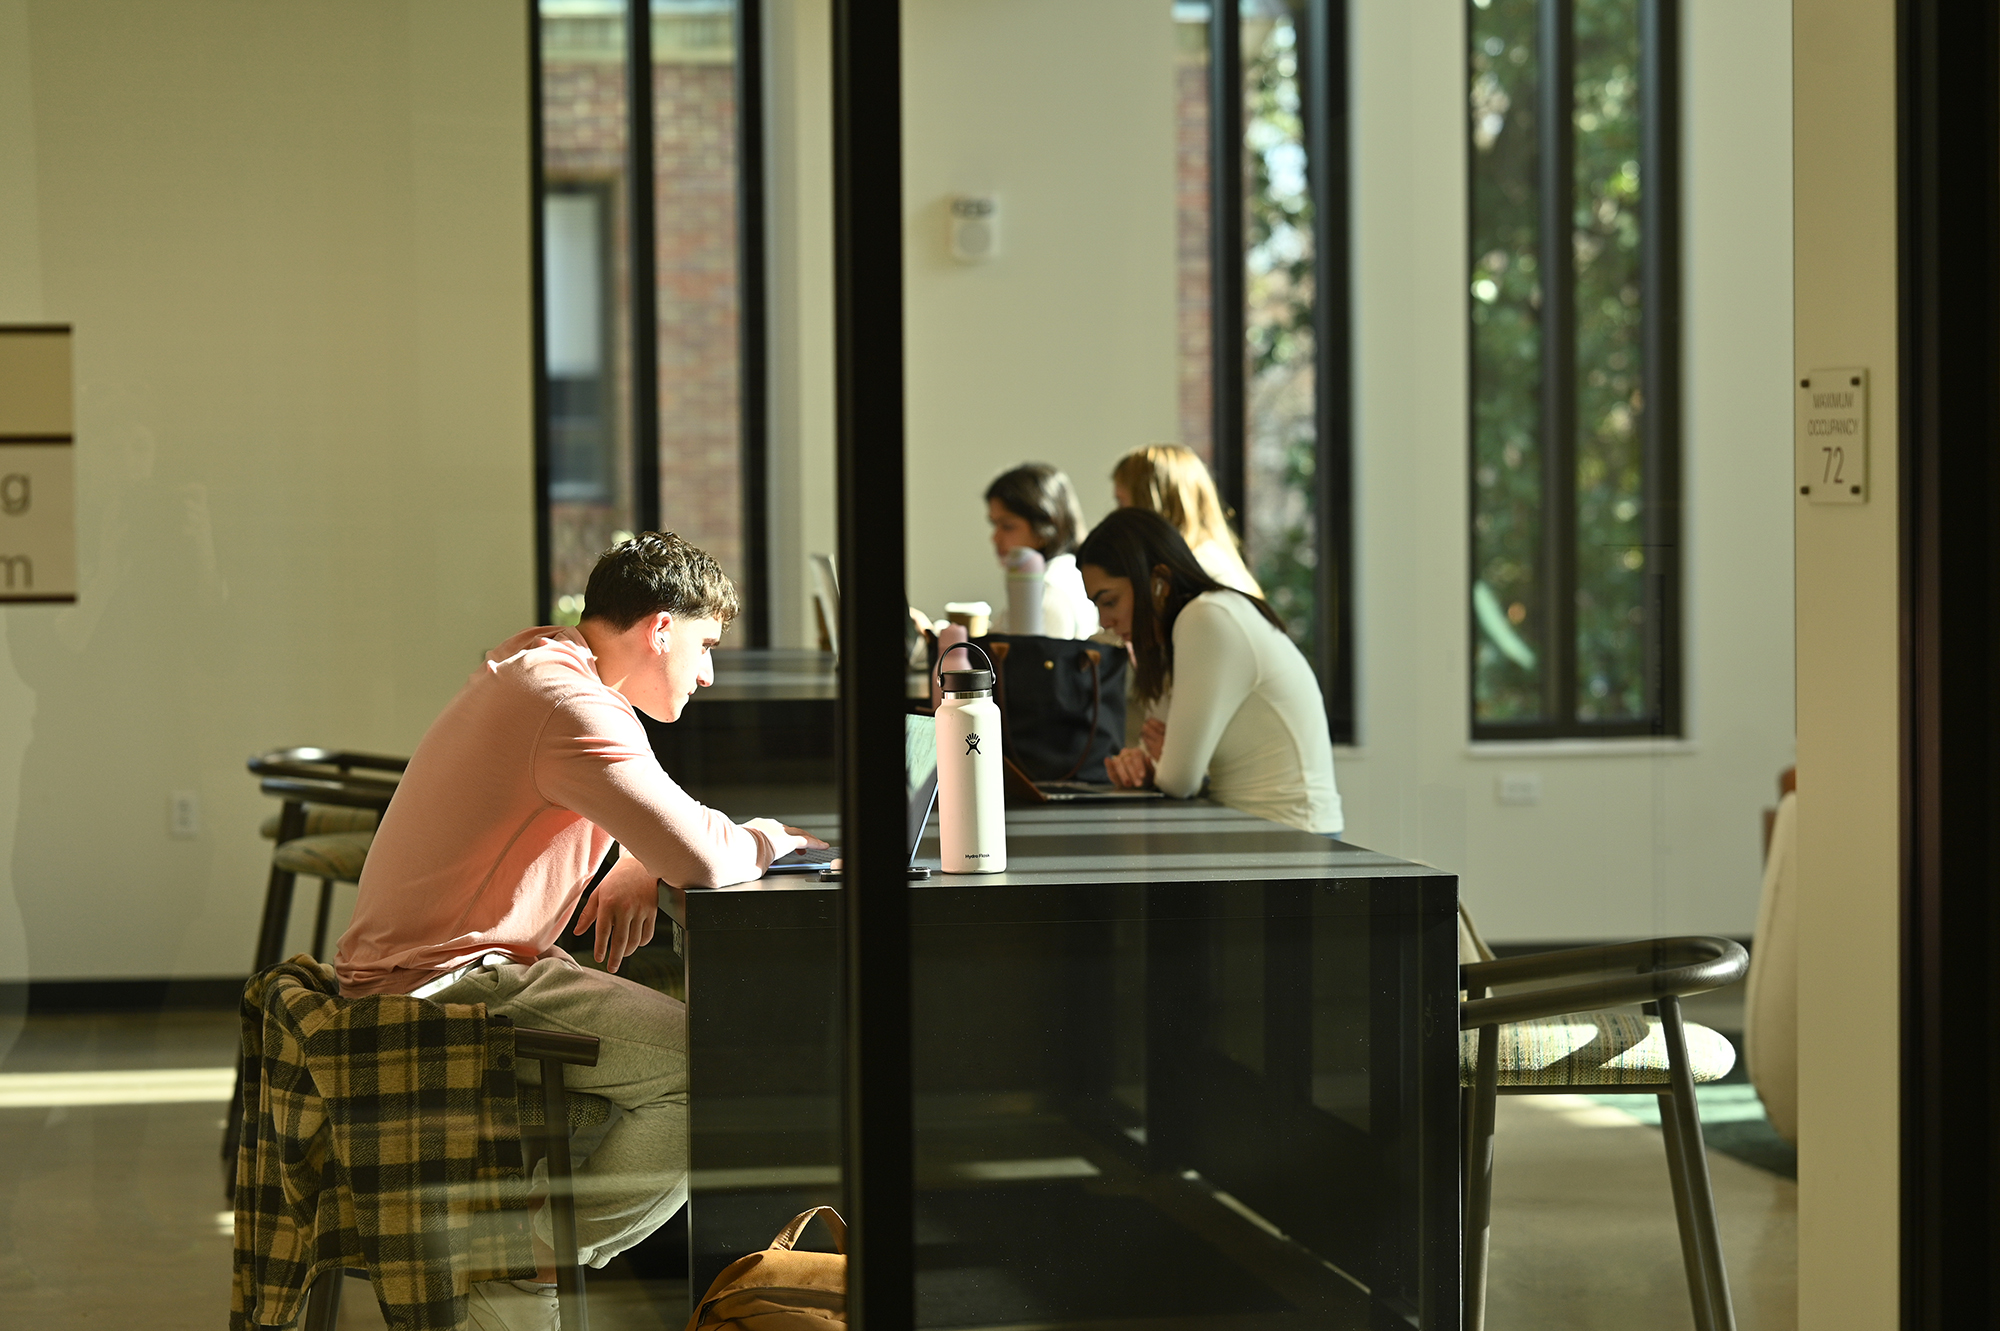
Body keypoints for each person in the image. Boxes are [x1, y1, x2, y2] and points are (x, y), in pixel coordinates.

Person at [334, 532, 824, 1331]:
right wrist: (768, 834)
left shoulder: (544, 666)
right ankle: (521, 1260)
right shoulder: (572, 703)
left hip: (437, 964)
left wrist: (636, 857)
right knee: (727, 1074)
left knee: (692, 1060)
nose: (707, 674)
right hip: (447, 983)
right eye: (704, 646)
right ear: (660, 627)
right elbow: (702, 852)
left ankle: (522, 1249)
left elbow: (621, 813)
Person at [1077, 508, 1342, 837]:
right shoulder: (1175, 635)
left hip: (1289, 837)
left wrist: (1164, 764)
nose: (1105, 622)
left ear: (1157, 581)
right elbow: (1161, 757)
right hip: (1255, 831)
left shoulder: (1206, 618)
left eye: (1110, 601)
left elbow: (1178, 779)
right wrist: (1142, 766)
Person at [1111, 444, 1264, 597]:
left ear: (1150, 506)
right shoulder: (1209, 563)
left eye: (1121, 502)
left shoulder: (1196, 577)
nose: (1116, 515)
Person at [984, 463, 1099, 638]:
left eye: (1007, 526)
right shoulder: (1070, 570)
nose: (995, 538)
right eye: (994, 524)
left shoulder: (1048, 593)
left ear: (1045, 528)